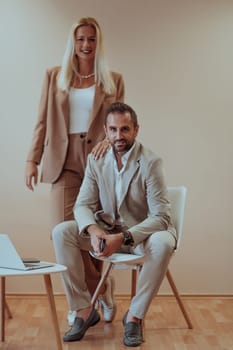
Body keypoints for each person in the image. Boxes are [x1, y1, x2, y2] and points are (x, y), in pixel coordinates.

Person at [24, 17, 124, 324]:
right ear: (73, 41)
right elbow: (42, 120)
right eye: (81, 39)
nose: (85, 45)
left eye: (91, 39)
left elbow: (119, 120)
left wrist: (109, 140)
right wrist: (32, 159)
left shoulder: (112, 79)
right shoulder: (55, 76)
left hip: (98, 162)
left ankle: (92, 297)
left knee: (87, 233)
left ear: (98, 43)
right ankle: (89, 299)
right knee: (61, 233)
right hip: (62, 160)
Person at [52, 102, 177, 346]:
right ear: (106, 131)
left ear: (136, 129)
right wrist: (95, 230)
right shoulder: (97, 160)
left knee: (163, 242)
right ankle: (83, 311)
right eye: (113, 130)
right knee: (61, 232)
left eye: (125, 129)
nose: (118, 136)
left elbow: (161, 217)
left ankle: (134, 317)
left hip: (142, 237)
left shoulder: (151, 162)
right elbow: (82, 205)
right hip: (107, 232)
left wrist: (124, 237)